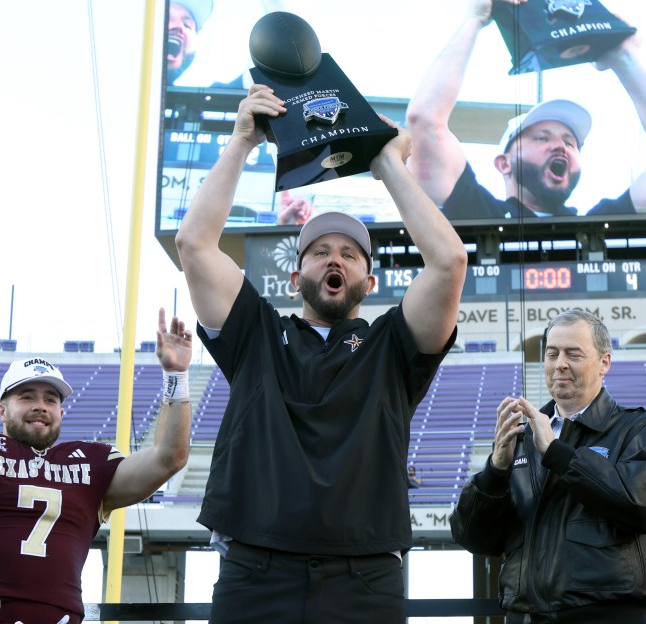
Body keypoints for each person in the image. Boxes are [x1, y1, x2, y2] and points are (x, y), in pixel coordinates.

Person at [174, 84, 466, 623]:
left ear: (369, 279)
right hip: (256, 569)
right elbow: (194, 243)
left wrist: (387, 165)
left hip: (365, 575)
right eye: (321, 251)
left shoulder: (392, 345)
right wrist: (241, 142)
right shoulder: (256, 334)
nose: (336, 258)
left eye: (351, 254)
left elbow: (448, 261)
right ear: (295, 276)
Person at [0, 309, 192, 624]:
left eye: (51, 399)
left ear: (62, 413)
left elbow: (169, 457)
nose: (41, 405)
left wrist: (176, 377)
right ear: (1, 410)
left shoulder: (92, 463)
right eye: (27, 396)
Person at [451, 311, 646, 623]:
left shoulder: (637, 428)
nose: (560, 363)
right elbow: (473, 538)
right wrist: (496, 468)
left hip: (606, 616)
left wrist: (557, 453)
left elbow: (645, 504)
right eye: (552, 353)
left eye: (574, 353)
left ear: (604, 363)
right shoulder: (520, 435)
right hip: (525, 615)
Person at [405, 0, 646, 220]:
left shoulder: (605, 225)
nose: (561, 146)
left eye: (570, 141)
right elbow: (425, 120)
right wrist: (475, 19)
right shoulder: (473, 210)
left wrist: (622, 54)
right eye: (542, 138)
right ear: (503, 163)